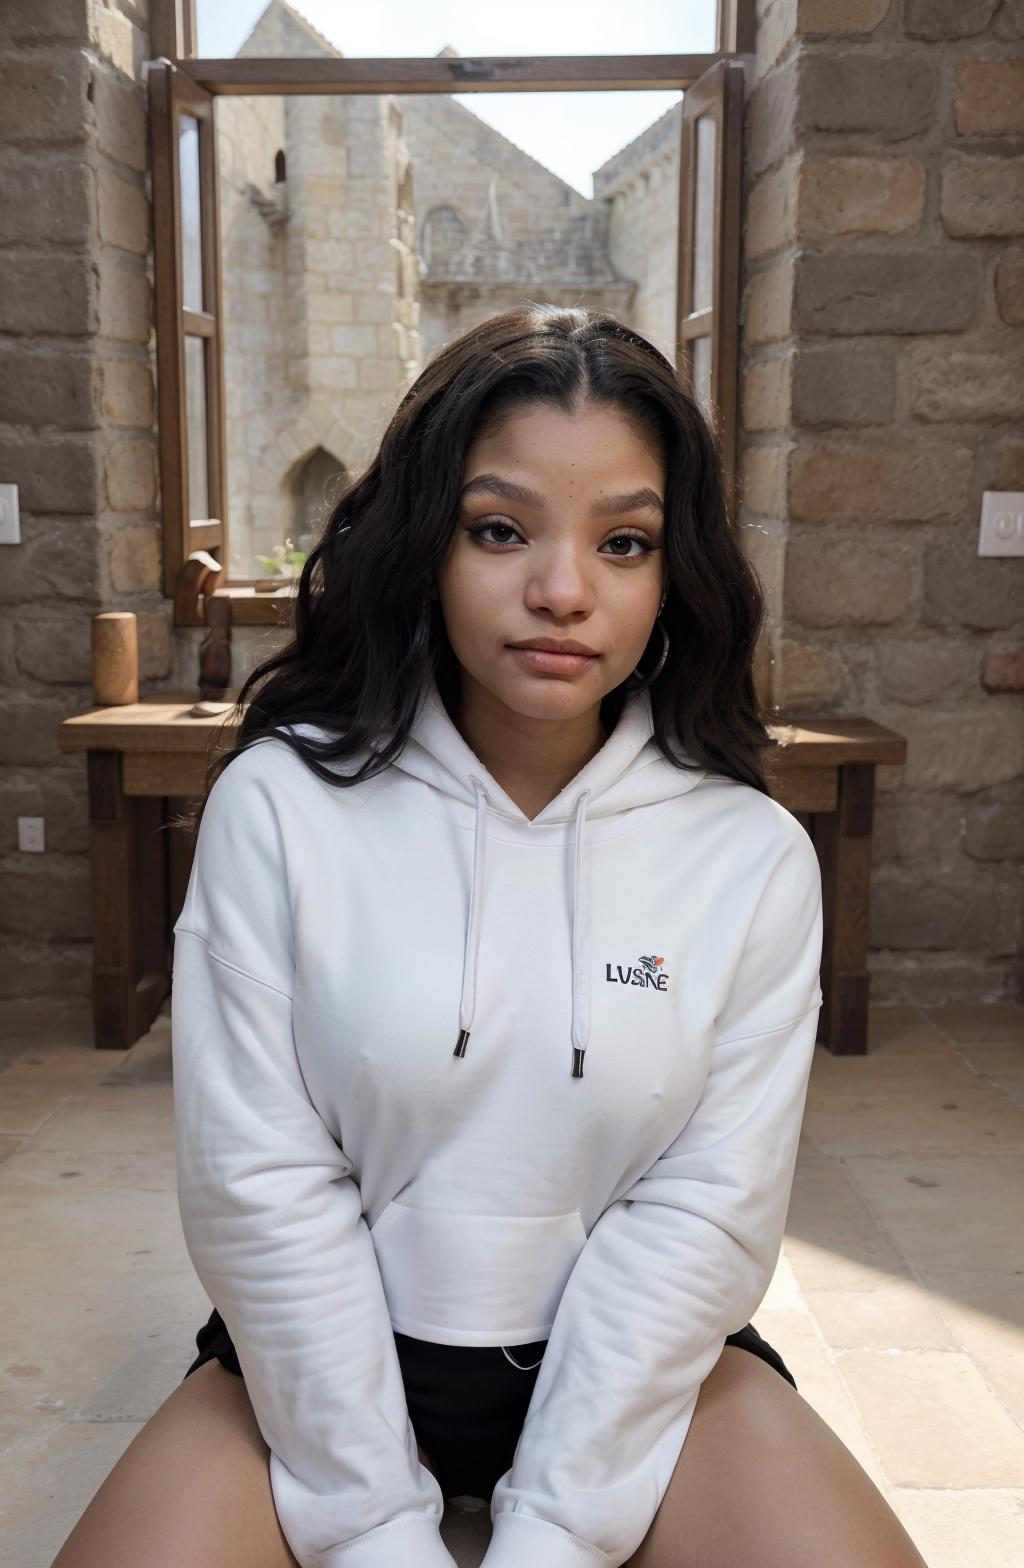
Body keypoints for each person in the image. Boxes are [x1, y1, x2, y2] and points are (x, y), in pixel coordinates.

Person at [52, 305, 929, 1568]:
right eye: (501, 529)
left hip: (640, 1373)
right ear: (425, 543)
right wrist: (369, 1521)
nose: (562, 590)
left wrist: (560, 1527)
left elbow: (706, 1210)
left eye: (622, 541)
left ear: (671, 571)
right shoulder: (281, 805)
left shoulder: (748, 855)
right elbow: (259, 1186)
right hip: (313, 1365)